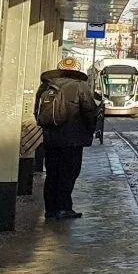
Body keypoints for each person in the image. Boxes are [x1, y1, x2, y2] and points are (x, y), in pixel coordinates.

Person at [34, 56, 101, 221]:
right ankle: (64, 207)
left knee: (52, 173)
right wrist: (90, 130)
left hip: (51, 138)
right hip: (73, 139)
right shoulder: (80, 86)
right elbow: (90, 111)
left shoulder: (45, 86)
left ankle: (50, 209)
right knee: (68, 173)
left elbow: (37, 110)